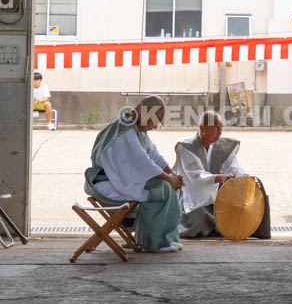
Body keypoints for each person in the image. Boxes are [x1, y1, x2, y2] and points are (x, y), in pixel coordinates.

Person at [83, 96, 184, 253]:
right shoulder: (126, 129)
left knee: (166, 185)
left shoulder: (136, 127)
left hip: (119, 179)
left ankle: (162, 238)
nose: (156, 126)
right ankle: (154, 242)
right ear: (146, 114)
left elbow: (154, 155)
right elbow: (142, 161)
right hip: (106, 182)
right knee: (162, 189)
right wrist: (168, 178)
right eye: (156, 120)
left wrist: (172, 174)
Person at [173, 111, 269, 239]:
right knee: (199, 223)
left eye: (221, 128)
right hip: (194, 196)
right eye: (216, 128)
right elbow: (194, 175)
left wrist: (247, 177)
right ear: (203, 128)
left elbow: (234, 168)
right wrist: (218, 177)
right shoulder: (188, 147)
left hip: (218, 193)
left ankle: (256, 229)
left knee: (255, 184)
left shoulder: (223, 146)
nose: (220, 131)